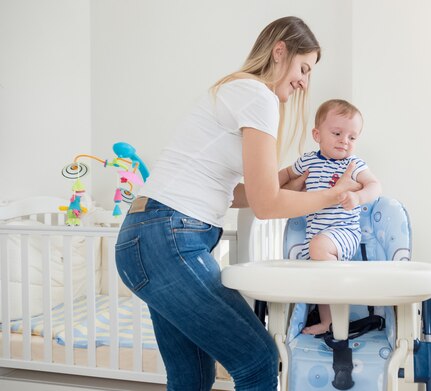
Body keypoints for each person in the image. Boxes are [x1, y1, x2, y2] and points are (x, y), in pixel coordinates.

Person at [115, 17, 361, 391]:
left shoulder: (236, 90)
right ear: (280, 51)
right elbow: (266, 205)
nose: (304, 82)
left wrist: (291, 184)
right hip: (167, 237)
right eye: (303, 68)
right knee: (258, 359)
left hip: (151, 235)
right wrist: (333, 193)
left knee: (192, 377)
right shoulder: (257, 94)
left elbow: (238, 194)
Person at [278, 99, 382, 335]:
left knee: (320, 249)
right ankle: (328, 321)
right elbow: (284, 175)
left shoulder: (353, 164)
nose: (344, 141)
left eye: (352, 137)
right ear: (317, 134)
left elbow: (375, 186)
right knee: (316, 273)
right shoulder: (308, 161)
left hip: (344, 233)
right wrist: (265, 187)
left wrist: (358, 198)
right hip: (315, 236)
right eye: (337, 133)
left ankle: (341, 312)